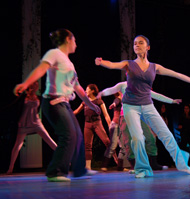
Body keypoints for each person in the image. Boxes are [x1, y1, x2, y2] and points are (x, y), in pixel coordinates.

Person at [95, 35, 190, 178]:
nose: (136, 45)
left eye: (140, 43)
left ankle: (183, 165)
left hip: (148, 105)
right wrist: (101, 62)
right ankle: (143, 169)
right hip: (130, 106)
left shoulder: (155, 67)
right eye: (135, 43)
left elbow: (175, 74)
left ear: (148, 47)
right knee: (137, 138)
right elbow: (112, 65)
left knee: (166, 134)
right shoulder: (128, 64)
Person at [14, 29, 100, 182]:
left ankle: (80, 170)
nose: (76, 44)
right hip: (53, 102)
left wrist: (91, 105)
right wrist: (26, 83)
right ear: (68, 39)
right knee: (68, 135)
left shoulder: (69, 63)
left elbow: (78, 88)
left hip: (64, 103)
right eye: (74, 40)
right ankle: (55, 172)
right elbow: (41, 69)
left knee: (78, 136)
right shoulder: (54, 53)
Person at [99, 81, 179, 172]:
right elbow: (111, 91)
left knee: (150, 138)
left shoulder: (141, 86)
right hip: (125, 116)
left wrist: (172, 101)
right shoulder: (123, 85)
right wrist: (101, 94)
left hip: (139, 116)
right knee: (128, 142)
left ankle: (153, 164)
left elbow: (155, 95)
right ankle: (134, 166)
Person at [7, 81, 57, 175]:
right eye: (34, 86)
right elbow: (15, 107)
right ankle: (10, 168)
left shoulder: (38, 97)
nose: (36, 88)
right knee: (17, 145)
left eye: (37, 86)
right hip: (24, 124)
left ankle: (65, 160)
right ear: (30, 87)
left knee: (49, 140)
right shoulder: (23, 96)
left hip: (36, 123)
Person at [73, 84, 118, 171]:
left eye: (87, 89)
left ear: (92, 91)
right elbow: (77, 111)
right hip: (87, 124)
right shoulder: (85, 101)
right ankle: (88, 166)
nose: (85, 91)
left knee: (107, 142)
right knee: (87, 145)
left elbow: (106, 115)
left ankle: (117, 160)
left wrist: (109, 125)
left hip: (97, 123)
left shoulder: (99, 101)